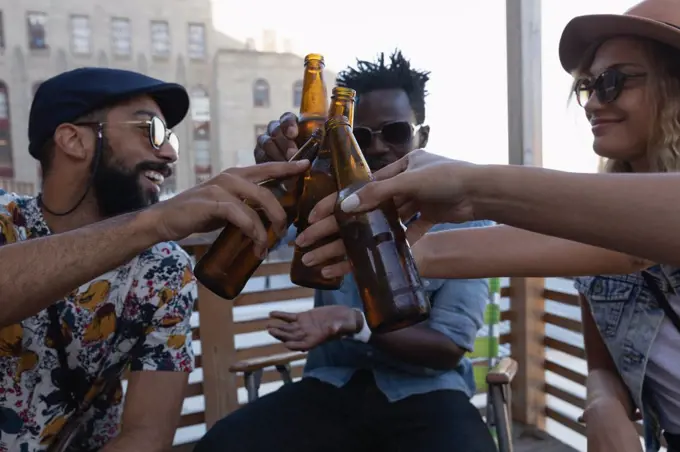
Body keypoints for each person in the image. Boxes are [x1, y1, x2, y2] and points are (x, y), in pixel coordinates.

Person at [302, 1, 680, 451]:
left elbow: (634, 238)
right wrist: (601, 401)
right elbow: (597, 253)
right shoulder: (599, 228)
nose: (595, 101)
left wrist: (470, 185)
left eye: (614, 81)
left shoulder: (615, 224)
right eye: (588, 85)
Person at [196, 51, 497, 452]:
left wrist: (355, 321)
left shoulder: (461, 219)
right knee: (223, 446)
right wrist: (276, 179)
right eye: (360, 136)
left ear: (422, 137)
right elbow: (254, 232)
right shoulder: (321, 204)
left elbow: (446, 350)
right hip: (332, 385)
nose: (377, 148)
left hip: (428, 392)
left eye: (395, 132)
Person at [0, 67, 311, 452]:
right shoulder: (4, 217)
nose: (167, 154)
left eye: (171, 140)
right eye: (151, 131)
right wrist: (155, 222)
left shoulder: (163, 269)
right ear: (73, 140)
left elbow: (147, 436)